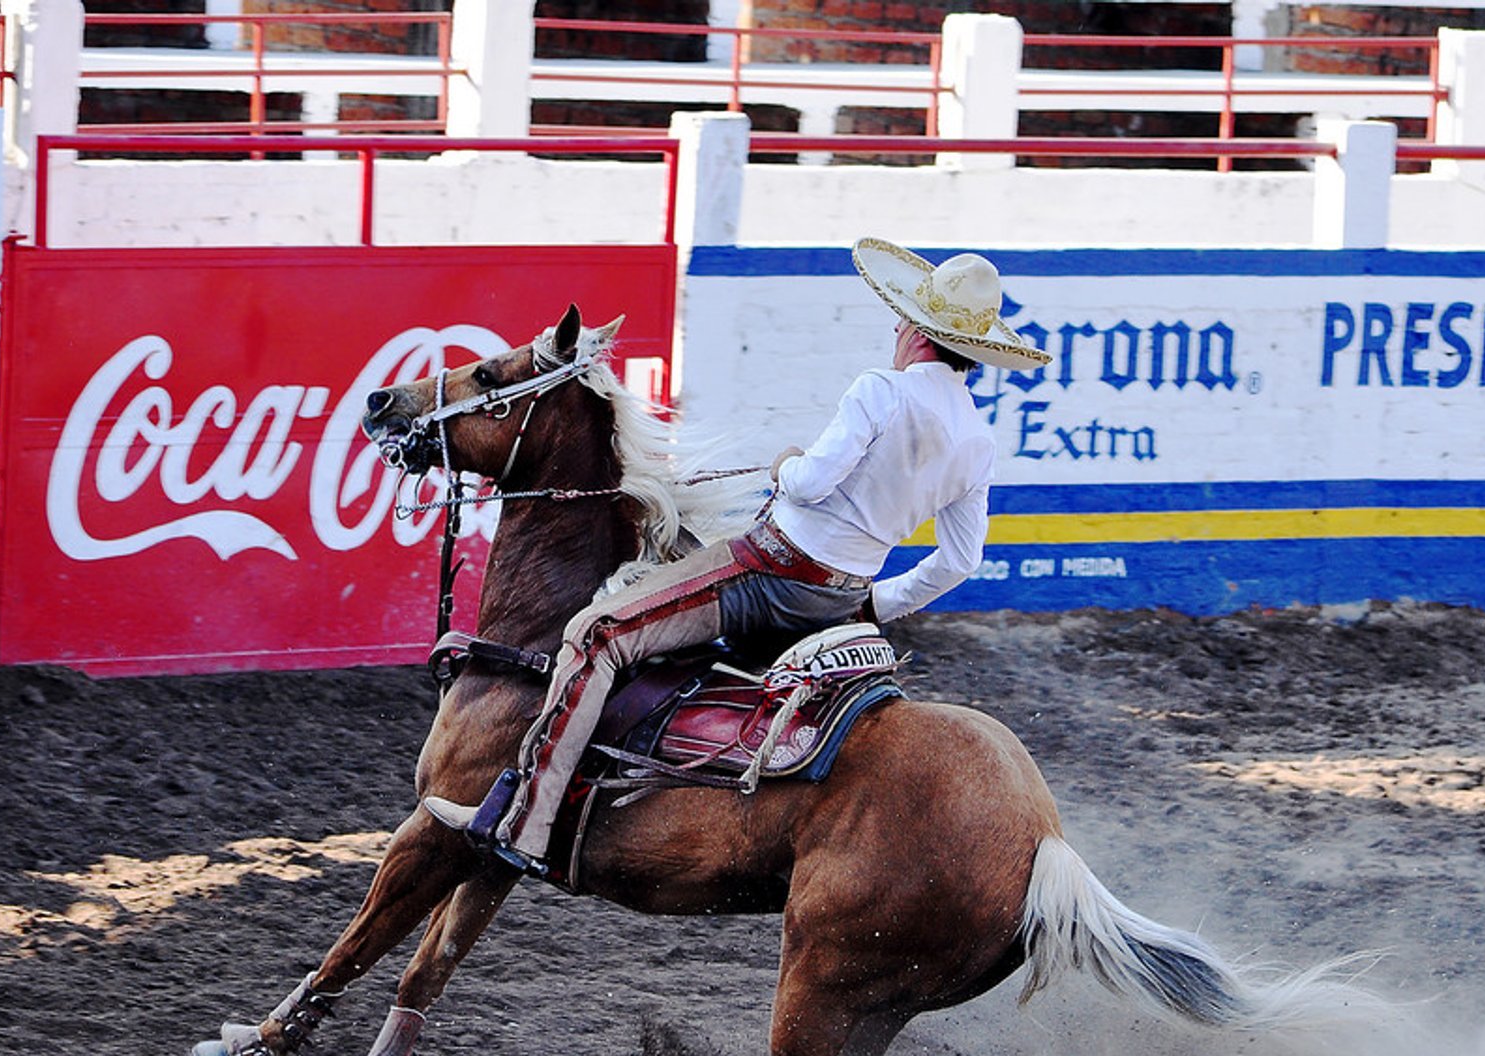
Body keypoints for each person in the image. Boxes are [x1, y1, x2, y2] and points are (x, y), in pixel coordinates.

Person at [424, 236, 1051, 867]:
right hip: (841, 606)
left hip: (766, 573)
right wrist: (878, 601)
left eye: (901, 316)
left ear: (915, 329)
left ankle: (527, 821)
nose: (894, 324)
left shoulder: (879, 391)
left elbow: (810, 484)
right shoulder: (976, 440)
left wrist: (788, 466)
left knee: (596, 634)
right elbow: (959, 561)